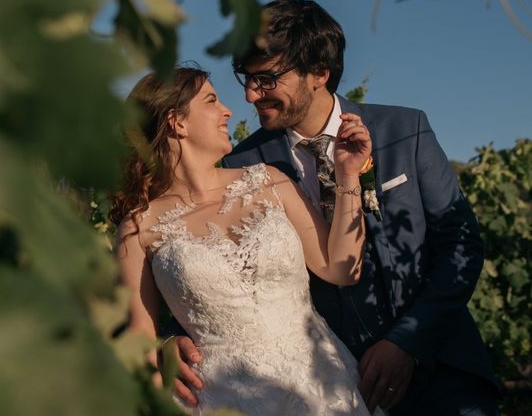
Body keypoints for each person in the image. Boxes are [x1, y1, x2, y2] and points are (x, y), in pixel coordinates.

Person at [172, 0, 499, 414]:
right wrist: (170, 338)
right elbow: (204, 267)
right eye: (247, 79)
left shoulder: (404, 129)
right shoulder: (243, 165)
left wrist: (407, 342)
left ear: (319, 74)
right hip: (330, 388)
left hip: (441, 372)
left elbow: (461, 245)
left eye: (267, 79)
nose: (253, 95)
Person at [112, 66, 380, 414]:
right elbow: (141, 342)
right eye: (212, 100)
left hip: (319, 385)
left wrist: (348, 174)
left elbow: (342, 269)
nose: (228, 110)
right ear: (177, 122)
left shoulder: (269, 181)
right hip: (217, 398)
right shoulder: (138, 226)